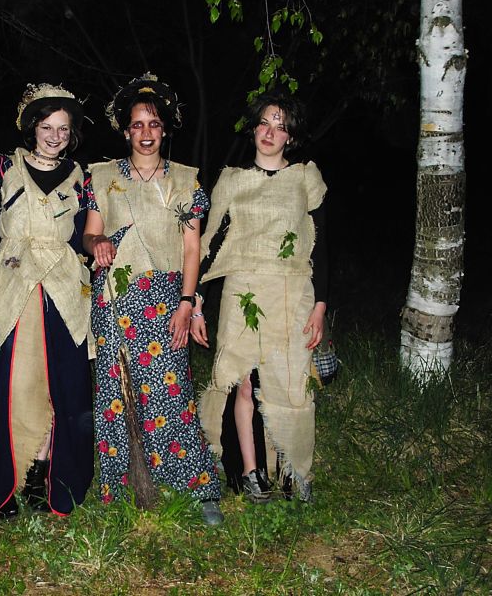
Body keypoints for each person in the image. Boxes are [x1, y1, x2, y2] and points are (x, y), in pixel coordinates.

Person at [83, 73, 224, 525]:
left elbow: (191, 250)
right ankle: (123, 485)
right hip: (114, 298)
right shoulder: (102, 177)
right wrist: (97, 243)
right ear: (126, 131)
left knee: (170, 390)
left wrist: (187, 303)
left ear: (164, 129)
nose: (146, 132)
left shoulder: (185, 182)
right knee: (115, 392)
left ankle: (195, 486)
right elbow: (89, 233)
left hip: (165, 299)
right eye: (138, 125)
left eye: (154, 124)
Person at [0, 83, 94, 518]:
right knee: (12, 383)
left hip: (63, 288)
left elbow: (84, 238)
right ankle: (6, 478)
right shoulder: (4, 168)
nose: (55, 136)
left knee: (58, 383)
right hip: (13, 284)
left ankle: (42, 475)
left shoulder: (80, 177)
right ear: (32, 128)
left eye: (63, 129)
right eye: (47, 127)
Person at [191, 90, 328, 504]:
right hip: (243, 291)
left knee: (292, 383)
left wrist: (320, 306)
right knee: (244, 383)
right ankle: (252, 473)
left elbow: (322, 245)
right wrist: (196, 301)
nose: (270, 132)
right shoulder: (232, 180)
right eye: (265, 123)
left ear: (291, 137)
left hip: (292, 291)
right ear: (253, 129)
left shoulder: (305, 178)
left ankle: (295, 470)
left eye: (280, 126)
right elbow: (210, 242)